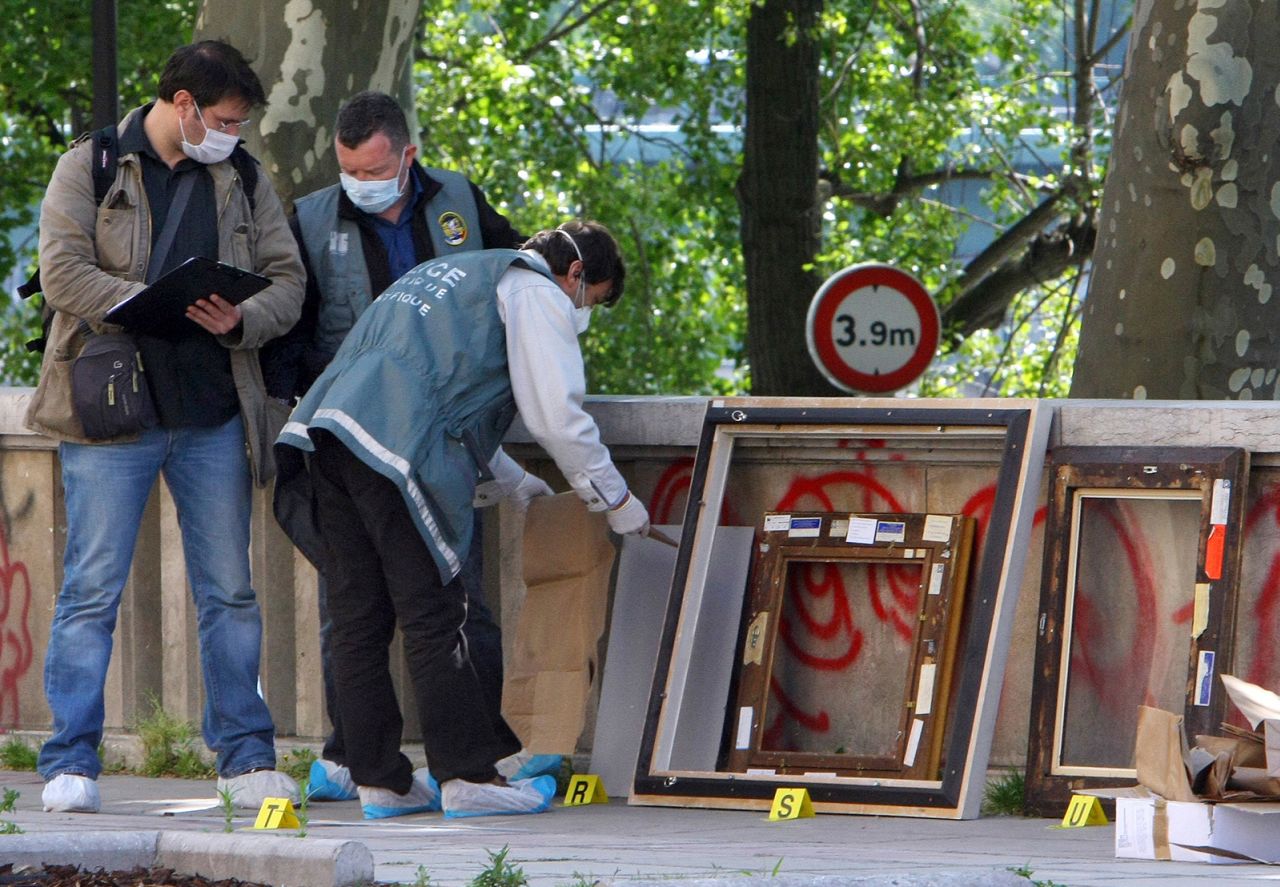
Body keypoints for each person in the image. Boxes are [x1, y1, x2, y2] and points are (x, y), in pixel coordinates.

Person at [276, 221, 651, 818]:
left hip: (324, 438)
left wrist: (517, 482)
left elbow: (435, 388)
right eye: (594, 301)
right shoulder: (534, 290)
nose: (583, 311)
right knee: (435, 615)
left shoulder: (446, 274)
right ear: (577, 275)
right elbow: (556, 415)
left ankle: (380, 781)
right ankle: (466, 776)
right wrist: (617, 499)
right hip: (393, 451)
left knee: (358, 618)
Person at [26, 40, 305, 814]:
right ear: (182, 105)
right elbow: (61, 271)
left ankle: (245, 757)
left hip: (215, 411)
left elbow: (290, 281)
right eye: (222, 119)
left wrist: (243, 314)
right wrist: (146, 301)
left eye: (239, 124)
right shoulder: (89, 165)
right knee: (90, 589)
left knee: (231, 592)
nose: (232, 134)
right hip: (115, 410)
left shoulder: (243, 176)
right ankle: (69, 760)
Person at [266, 90, 558, 805]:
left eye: (372, 169)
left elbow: (517, 285)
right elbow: (290, 340)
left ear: (408, 155)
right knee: (383, 609)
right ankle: (434, 769)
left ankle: (409, 771)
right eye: (347, 171)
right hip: (360, 437)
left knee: (454, 604)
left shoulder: (459, 201)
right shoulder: (310, 219)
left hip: (440, 444)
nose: (360, 184)